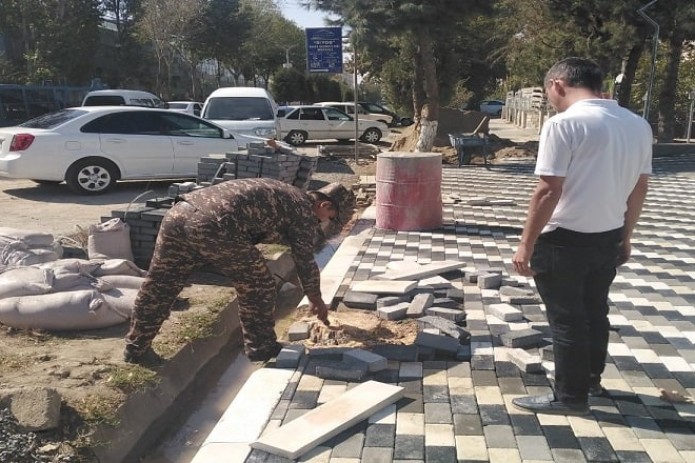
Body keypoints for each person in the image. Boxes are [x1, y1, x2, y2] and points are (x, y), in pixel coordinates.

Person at [511, 57, 652, 415]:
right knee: (594, 312)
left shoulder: (564, 125)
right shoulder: (637, 124)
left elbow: (547, 191)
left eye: (549, 93)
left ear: (558, 84)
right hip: (607, 236)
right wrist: (626, 236)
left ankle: (571, 398)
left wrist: (526, 244)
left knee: (567, 320)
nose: (551, 100)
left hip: (563, 241)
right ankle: (590, 380)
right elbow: (639, 186)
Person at [124, 178, 356, 364]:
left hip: (178, 213)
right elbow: (304, 259)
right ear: (324, 205)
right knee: (259, 284)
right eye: (330, 219)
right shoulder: (304, 212)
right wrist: (315, 298)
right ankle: (261, 348)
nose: (324, 223)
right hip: (216, 225)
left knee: (161, 283)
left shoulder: (288, 193)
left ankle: (136, 348)